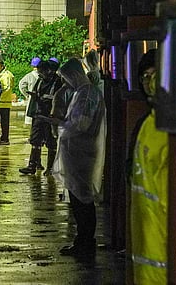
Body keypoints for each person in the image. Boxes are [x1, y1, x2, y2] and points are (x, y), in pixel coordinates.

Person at [47, 58, 106, 256]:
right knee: (78, 198)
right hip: (77, 151)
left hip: (81, 152)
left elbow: (81, 124)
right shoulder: (83, 92)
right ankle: (82, 240)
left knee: (82, 200)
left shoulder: (87, 93)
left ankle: (85, 241)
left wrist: (60, 122)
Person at [129, 49, 168, 284]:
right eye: (145, 77)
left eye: (155, 76)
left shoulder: (168, 132)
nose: (150, 83)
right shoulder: (147, 126)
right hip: (149, 269)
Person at [19, 58, 62, 175]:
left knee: (51, 141)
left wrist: (44, 98)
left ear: (49, 70)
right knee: (35, 140)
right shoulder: (40, 81)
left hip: (50, 115)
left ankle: (51, 168)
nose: (40, 74)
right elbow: (36, 93)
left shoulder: (57, 82)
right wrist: (35, 97)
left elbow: (58, 98)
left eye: (42, 71)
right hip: (38, 114)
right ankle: (33, 165)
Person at [0, 60, 14, 145]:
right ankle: (1, 137)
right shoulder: (0, 74)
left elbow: (7, 88)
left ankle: (5, 138)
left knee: (4, 122)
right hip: (0, 102)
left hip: (4, 101)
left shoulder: (6, 75)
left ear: (2, 66)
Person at [19, 57, 41, 125]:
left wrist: (27, 95)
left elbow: (21, 85)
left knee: (30, 123)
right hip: (41, 100)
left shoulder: (29, 76)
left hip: (32, 100)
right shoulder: (45, 75)